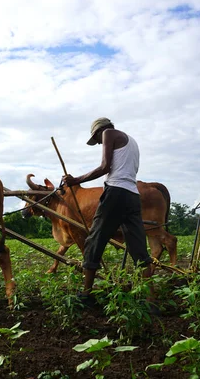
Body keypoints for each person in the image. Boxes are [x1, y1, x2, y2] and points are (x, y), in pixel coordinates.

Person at [63, 117, 155, 307]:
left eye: (96, 140)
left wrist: (76, 180)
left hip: (115, 193)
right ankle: (151, 300)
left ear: (99, 131)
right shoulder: (132, 142)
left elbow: (105, 167)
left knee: (94, 241)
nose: (99, 143)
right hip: (132, 195)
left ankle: (87, 294)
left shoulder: (108, 133)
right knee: (138, 248)